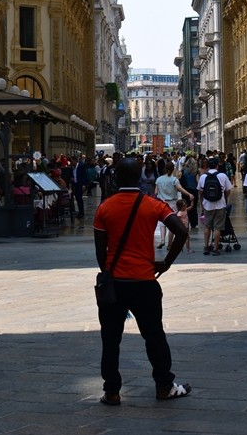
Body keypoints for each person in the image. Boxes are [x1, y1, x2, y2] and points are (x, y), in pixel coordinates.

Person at [93, 158, 191, 405]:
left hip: (115, 282)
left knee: (110, 339)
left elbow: (99, 252)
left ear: (116, 177)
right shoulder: (152, 205)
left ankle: (112, 391)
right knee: (154, 335)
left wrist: (109, 271)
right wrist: (166, 262)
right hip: (145, 280)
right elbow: (180, 230)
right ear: (140, 178)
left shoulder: (105, 207)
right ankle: (164, 386)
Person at [198, 157, 233, 256]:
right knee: (218, 227)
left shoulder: (203, 177)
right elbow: (228, 190)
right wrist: (225, 199)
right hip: (220, 205)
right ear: (217, 166)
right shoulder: (222, 176)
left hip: (207, 205)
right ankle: (215, 248)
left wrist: (202, 205)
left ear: (208, 166)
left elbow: (200, 192)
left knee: (207, 226)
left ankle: (206, 246)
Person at [155, 161, 193, 249]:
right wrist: (189, 194)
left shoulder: (159, 179)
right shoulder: (174, 179)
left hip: (162, 202)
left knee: (162, 223)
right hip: (172, 203)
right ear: (173, 170)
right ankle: (169, 244)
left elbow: (156, 192)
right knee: (172, 224)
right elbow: (180, 188)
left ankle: (162, 239)